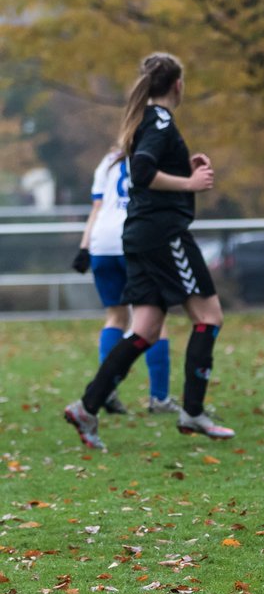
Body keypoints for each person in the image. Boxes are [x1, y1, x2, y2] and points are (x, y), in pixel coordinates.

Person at [64, 52, 234, 450]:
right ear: (178, 84)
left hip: (140, 234)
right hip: (163, 234)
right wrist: (190, 184)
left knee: (144, 329)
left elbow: (145, 168)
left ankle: (87, 407)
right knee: (209, 317)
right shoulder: (159, 120)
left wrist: (182, 168)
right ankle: (193, 410)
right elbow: (141, 171)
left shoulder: (145, 120)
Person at [72, 150, 180, 415]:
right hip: (135, 240)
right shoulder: (153, 158)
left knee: (115, 317)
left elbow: (97, 208)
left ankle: (106, 391)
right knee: (156, 320)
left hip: (102, 244)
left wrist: (84, 247)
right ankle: (159, 398)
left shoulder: (107, 161)